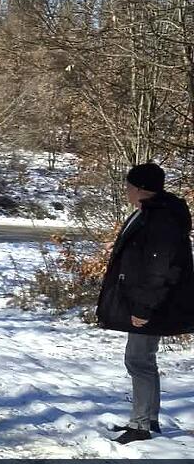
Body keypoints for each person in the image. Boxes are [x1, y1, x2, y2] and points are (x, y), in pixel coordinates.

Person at [96, 162, 194, 444]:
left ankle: (140, 426)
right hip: (148, 301)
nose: (126, 191)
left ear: (140, 189)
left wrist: (144, 308)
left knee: (138, 361)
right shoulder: (150, 212)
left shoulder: (160, 219)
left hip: (151, 303)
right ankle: (148, 419)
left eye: (128, 186)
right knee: (144, 360)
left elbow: (159, 270)